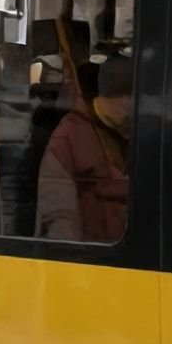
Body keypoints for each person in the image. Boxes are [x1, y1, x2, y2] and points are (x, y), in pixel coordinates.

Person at [36, 52, 132, 243]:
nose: (136, 108)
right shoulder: (67, 140)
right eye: (131, 98)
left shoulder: (138, 132)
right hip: (94, 257)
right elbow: (59, 219)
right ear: (114, 98)